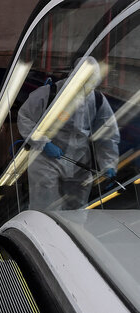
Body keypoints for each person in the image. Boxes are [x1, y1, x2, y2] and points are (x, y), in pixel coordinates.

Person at [17, 57, 120, 211]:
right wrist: (43, 143)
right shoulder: (49, 94)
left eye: (91, 86)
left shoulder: (97, 99)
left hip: (80, 161)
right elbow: (25, 118)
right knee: (45, 207)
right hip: (46, 160)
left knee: (77, 210)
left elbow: (108, 135)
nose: (86, 90)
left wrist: (109, 164)